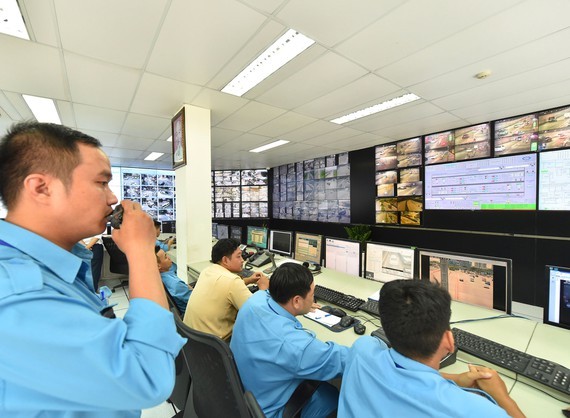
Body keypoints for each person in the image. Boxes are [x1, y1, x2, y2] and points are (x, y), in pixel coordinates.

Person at [0, 122, 185, 417]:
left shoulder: (57, 262)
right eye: (101, 183)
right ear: (41, 188)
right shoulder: (15, 294)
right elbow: (148, 377)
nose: (113, 198)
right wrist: (141, 250)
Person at [338, 279, 525, 418]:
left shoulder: (362, 350)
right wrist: (503, 398)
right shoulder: (476, 411)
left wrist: (457, 379)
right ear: (449, 342)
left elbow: (407, 373)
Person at [230, 263, 349, 418]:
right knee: (334, 397)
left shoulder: (254, 301)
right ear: (297, 301)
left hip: (247, 393)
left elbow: (264, 292)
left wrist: (302, 305)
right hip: (272, 410)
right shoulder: (295, 345)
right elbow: (343, 361)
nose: (313, 298)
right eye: (312, 294)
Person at [184, 238, 268, 341]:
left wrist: (249, 280)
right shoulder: (232, 281)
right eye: (238, 256)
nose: (242, 260)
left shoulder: (207, 271)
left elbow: (226, 287)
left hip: (193, 341)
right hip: (216, 346)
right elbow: (258, 313)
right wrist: (264, 289)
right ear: (225, 260)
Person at [155, 245, 192, 316]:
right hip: (191, 315)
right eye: (165, 257)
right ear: (158, 266)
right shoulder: (176, 284)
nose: (169, 258)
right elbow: (197, 301)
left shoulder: (157, 278)